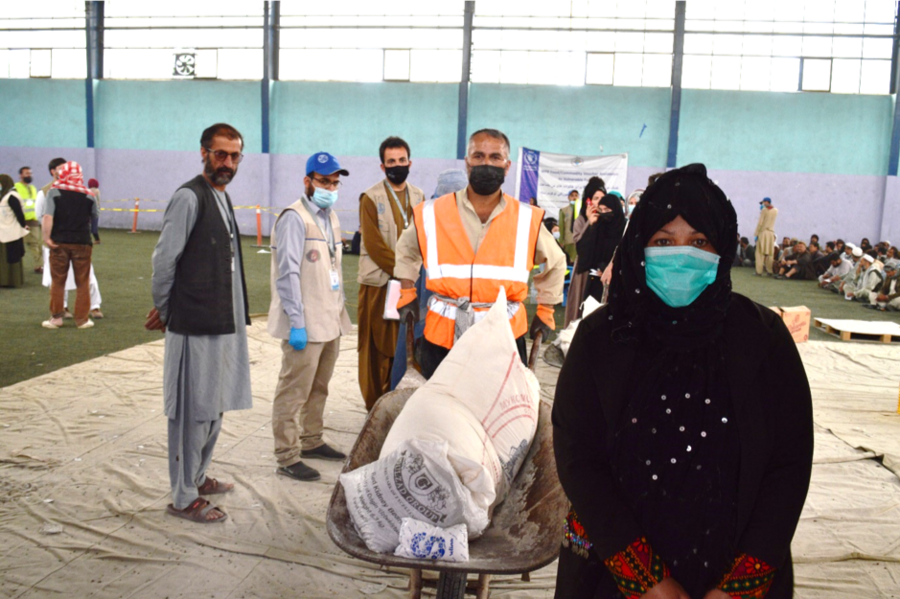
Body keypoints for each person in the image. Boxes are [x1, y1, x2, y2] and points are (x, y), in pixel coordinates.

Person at [553, 163, 813, 599]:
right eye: (663, 242)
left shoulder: (762, 338)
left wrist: (739, 586)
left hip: (735, 577)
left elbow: (788, 464)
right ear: (639, 246)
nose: (681, 254)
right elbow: (578, 459)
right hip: (613, 573)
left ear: (722, 247)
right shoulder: (603, 338)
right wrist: (648, 578)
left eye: (698, 242)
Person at [393, 128, 566, 379]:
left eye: (495, 157)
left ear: (507, 166)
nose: (487, 164)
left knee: (498, 413)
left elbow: (557, 263)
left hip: (503, 338)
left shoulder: (526, 218)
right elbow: (407, 250)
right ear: (467, 163)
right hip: (443, 338)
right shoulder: (432, 212)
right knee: (442, 412)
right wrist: (407, 292)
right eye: (478, 156)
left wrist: (546, 311)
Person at [145, 123, 251, 523]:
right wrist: (168, 310)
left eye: (234, 155)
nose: (227, 162)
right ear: (204, 152)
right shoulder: (189, 197)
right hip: (193, 325)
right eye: (220, 154)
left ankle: (199, 476)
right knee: (192, 412)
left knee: (214, 406)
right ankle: (183, 495)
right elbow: (164, 260)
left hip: (221, 322)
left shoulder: (221, 197)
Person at [268, 152, 353, 481]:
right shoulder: (294, 217)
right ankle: (287, 455)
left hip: (329, 320)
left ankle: (311, 440)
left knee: (319, 387)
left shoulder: (330, 217)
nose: (329, 187)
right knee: (293, 391)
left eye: (334, 182)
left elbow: (332, 268)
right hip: (304, 323)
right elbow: (287, 272)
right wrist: (296, 322)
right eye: (323, 181)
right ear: (308, 181)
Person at [356, 137, 425, 410]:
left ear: (410, 162)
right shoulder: (370, 197)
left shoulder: (419, 197)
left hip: (408, 286)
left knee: (406, 345)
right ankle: (374, 408)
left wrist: (411, 276)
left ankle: (400, 406)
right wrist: (402, 271)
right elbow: (373, 245)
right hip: (379, 284)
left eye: (401, 160)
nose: (397, 166)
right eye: (391, 162)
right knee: (376, 350)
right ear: (382, 166)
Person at [389, 170, 464, 390]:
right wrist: (407, 295)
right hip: (423, 305)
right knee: (412, 361)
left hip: (454, 314)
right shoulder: (426, 220)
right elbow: (406, 257)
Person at [41, 162, 99, 330]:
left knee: (58, 281)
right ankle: (82, 320)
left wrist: (47, 238)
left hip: (59, 242)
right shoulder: (89, 195)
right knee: (83, 281)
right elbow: (95, 216)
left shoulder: (54, 192)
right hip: (82, 242)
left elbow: (47, 217)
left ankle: (56, 318)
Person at [575, 183, 626, 304]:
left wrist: (609, 267)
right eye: (601, 210)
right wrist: (591, 226)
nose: (604, 214)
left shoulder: (624, 229)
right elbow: (583, 251)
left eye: (607, 210)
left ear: (616, 210)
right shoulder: (598, 227)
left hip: (617, 284)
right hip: (595, 282)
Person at [564, 177, 604, 327]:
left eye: (602, 198)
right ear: (588, 201)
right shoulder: (580, 220)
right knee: (580, 306)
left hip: (600, 271)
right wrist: (589, 222)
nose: (599, 202)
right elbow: (580, 245)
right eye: (595, 198)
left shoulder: (607, 219)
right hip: (584, 271)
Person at [0, 174, 28, 288]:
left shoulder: (12, 196)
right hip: (4, 231)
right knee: (5, 257)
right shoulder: (5, 196)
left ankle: (11, 281)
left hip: (11, 231)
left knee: (11, 257)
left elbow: (19, 214)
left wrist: (23, 225)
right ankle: (4, 280)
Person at [14, 166, 41, 274]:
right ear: (21, 175)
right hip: (20, 221)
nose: (28, 175)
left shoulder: (33, 188)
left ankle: (39, 265)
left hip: (33, 221)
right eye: (26, 173)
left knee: (35, 244)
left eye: (30, 173)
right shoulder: (15, 188)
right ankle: (14, 267)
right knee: (16, 245)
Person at [753, 197, 778, 276]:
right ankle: (769, 271)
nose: (763, 204)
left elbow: (760, 223)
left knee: (759, 253)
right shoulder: (776, 210)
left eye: (763, 202)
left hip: (763, 232)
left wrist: (756, 234)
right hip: (771, 233)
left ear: (767, 202)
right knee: (770, 253)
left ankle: (759, 271)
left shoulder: (764, 210)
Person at [558, 189, 579, 263]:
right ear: (568, 197)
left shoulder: (582, 210)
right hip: (568, 240)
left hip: (579, 241)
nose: (574, 197)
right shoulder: (564, 210)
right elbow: (561, 226)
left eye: (576, 195)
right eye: (572, 196)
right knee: (567, 261)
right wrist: (561, 241)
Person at [88, 178, 101, 243]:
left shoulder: (91, 191)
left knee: (92, 227)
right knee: (93, 226)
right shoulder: (97, 190)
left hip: (92, 211)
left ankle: (97, 239)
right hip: (96, 211)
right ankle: (96, 239)